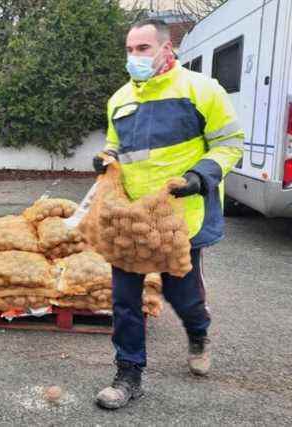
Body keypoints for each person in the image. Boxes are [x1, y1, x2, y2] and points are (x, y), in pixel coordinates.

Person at [92, 19, 243, 410]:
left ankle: (198, 332)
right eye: (129, 50)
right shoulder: (120, 99)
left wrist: (200, 176)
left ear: (166, 49)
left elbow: (229, 144)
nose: (134, 57)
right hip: (133, 221)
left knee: (182, 294)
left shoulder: (201, 90)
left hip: (181, 217)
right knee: (126, 299)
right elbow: (116, 146)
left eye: (143, 48)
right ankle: (128, 373)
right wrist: (106, 159)